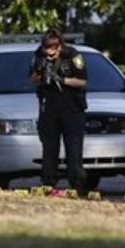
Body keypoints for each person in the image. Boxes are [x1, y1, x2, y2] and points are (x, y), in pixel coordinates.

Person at [29, 28, 88, 194]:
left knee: (74, 149)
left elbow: (82, 81)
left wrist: (61, 79)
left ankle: (77, 185)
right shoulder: (39, 55)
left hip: (72, 108)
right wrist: (40, 72)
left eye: (52, 52)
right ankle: (48, 182)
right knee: (49, 148)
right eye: (45, 51)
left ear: (59, 46)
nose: (49, 55)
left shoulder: (73, 56)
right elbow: (32, 79)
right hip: (49, 108)